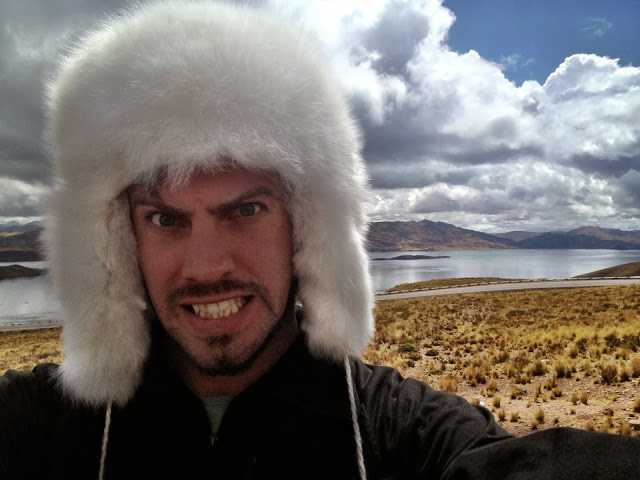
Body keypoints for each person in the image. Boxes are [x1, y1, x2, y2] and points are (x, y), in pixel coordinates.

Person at [1, 2, 639, 479]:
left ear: (306, 227)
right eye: (165, 219)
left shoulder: (391, 433)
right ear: (117, 240)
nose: (205, 266)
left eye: (246, 209)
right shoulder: (48, 425)